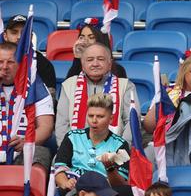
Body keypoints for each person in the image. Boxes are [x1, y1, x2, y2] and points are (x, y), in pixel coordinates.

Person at [54, 93, 133, 196]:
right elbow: (59, 169)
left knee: (128, 192)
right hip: (75, 188)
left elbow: (120, 184)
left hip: (104, 192)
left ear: (111, 119)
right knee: (58, 192)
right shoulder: (72, 137)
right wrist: (65, 182)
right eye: (91, 116)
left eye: (100, 116)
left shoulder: (120, 144)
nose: (94, 120)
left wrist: (110, 168)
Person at [57, 43, 136, 145]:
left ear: (109, 64)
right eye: (90, 60)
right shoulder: (69, 85)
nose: (95, 64)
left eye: (101, 59)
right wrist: (69, 151)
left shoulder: (125, 86)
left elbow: (131, 122)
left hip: (115, 152)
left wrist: (121, 149)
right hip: (75, 151)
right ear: (82, 64)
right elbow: (62, 124)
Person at [0, 41, 55, 172]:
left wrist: (26, 141)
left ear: (20, 63)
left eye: (10, 62)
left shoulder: (36, 87)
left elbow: (46, 127)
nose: (5, 67)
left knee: (40, 154)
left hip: (24, 149)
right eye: (0, 62)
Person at [3, 15, 57, 100]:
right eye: (14, 32)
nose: (19, 37)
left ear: (31, 37)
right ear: (5, 36)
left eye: (24, 33)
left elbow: (49, 101)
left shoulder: (43, 64)